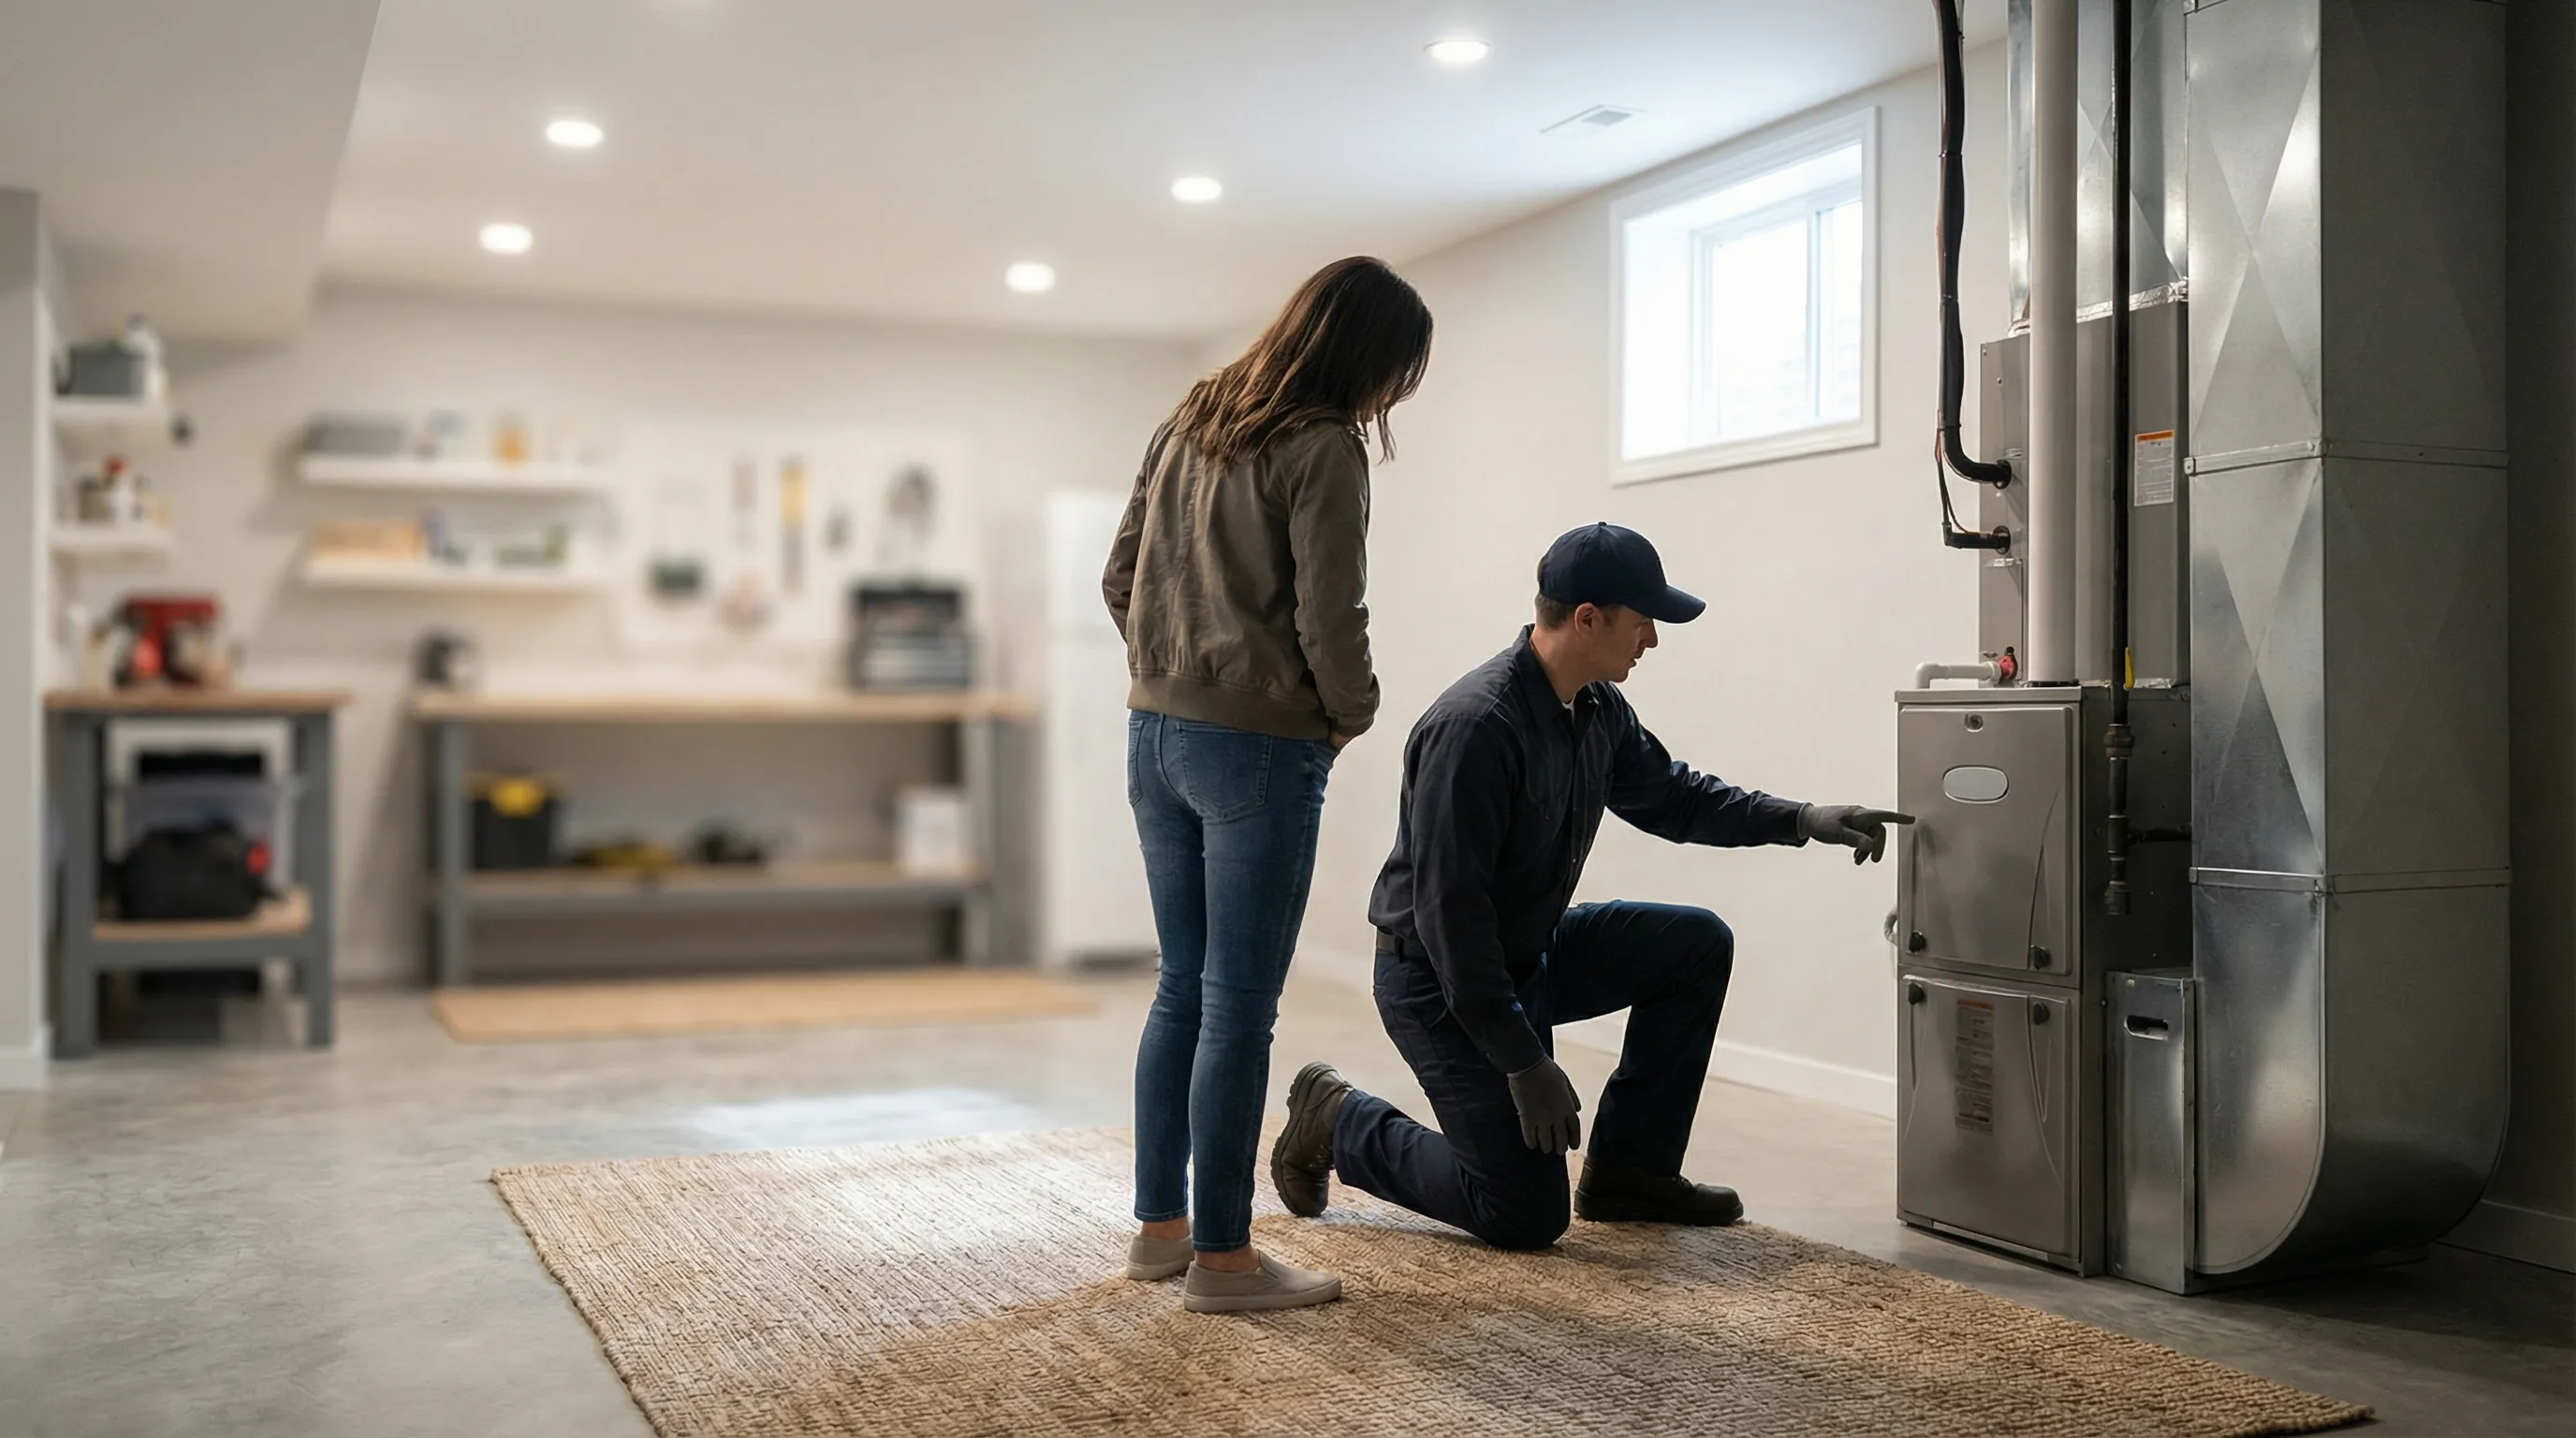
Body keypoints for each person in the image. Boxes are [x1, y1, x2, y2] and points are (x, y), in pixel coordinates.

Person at [1267, 522, 1909, 1252]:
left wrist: (1801, 819)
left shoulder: (1597, 709)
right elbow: (1453, 922)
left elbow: (1675, 798)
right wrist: (1523, 1060)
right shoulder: (1475, 728)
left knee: (1693, 944)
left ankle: (1630, 1174)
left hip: (1528, 953)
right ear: (1587, 619)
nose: (1653, 641)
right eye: (1644, 623)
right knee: (1523, 1214)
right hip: (1438, 981)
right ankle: (1340, 1120)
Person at [1101, 256, 1433, 1313]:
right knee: (1238, 1011)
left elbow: (1119, 576)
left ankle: (1161, 1233)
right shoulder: (1322, 441)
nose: (1389, 398)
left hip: (1153, 737)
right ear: (1366, 358)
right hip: (1255, 748)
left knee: (1178, 988)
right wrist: (1350, 712)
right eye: (1395, 373)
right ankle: (1226, 1263)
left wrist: (1168, 673)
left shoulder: (1188, 418)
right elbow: (1331, 617)